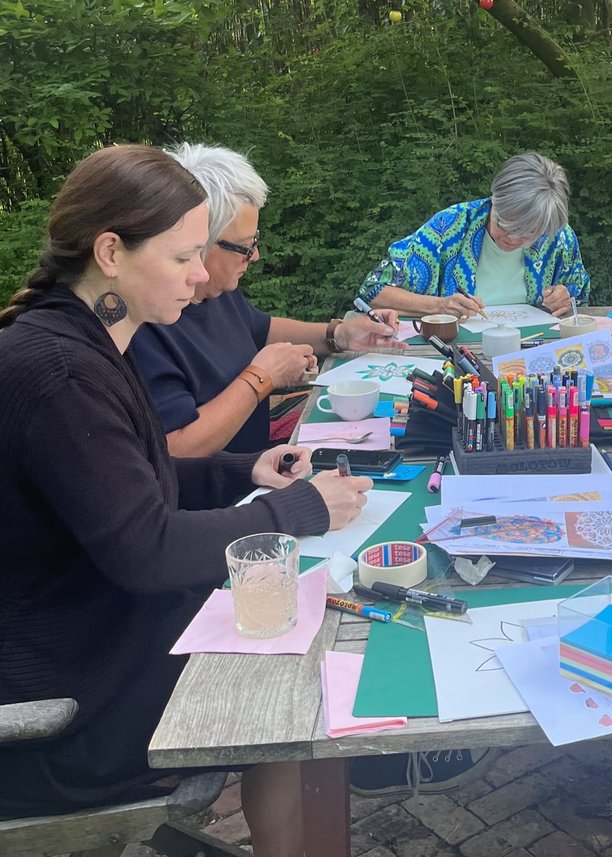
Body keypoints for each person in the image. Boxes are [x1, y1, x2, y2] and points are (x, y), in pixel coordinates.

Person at [0, 145, 373, 857]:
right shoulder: (61, 371)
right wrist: (299, 512)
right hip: (64, 712)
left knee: (288, 630)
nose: (202, 276)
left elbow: (125, 481)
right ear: (111, 252)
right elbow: (148, 550)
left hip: (96, 641)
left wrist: (241, 470)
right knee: (298, 673)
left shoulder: (87, 340)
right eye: (182, 257)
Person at [129, 143, 405, 457]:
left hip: (259, 462)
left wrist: (339, 334)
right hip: (231, 483)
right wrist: (262, 378)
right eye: (245, 246)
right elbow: (176, 449)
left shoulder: (216, 292)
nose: (255, 255)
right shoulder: (150, 321)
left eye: (255, 241)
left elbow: (261, 329)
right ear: (200, 242)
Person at [357, 152, 590, 318]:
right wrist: (439, 305)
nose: (513, 239)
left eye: (528, 234)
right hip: (456, 355)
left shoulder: (557, 236)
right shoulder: (449, 226)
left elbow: (579, 293)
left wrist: (565, 297)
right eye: (504, 224)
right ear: (494, 199)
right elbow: (373, 291)